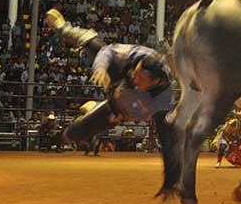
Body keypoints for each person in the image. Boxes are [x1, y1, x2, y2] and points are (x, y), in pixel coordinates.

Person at [44, 9, 173, 147]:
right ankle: (64, 28)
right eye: (136, 72)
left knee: (74, 134)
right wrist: (101, 67)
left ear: (155, 81)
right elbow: (108, 51)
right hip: (119, 73)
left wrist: (123, 116)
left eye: (141, 78)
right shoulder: (140, 54)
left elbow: (146, 116)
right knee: (96, 47)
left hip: (120, 105)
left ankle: (90, 111)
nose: (136, 78)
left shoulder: (163, 100)